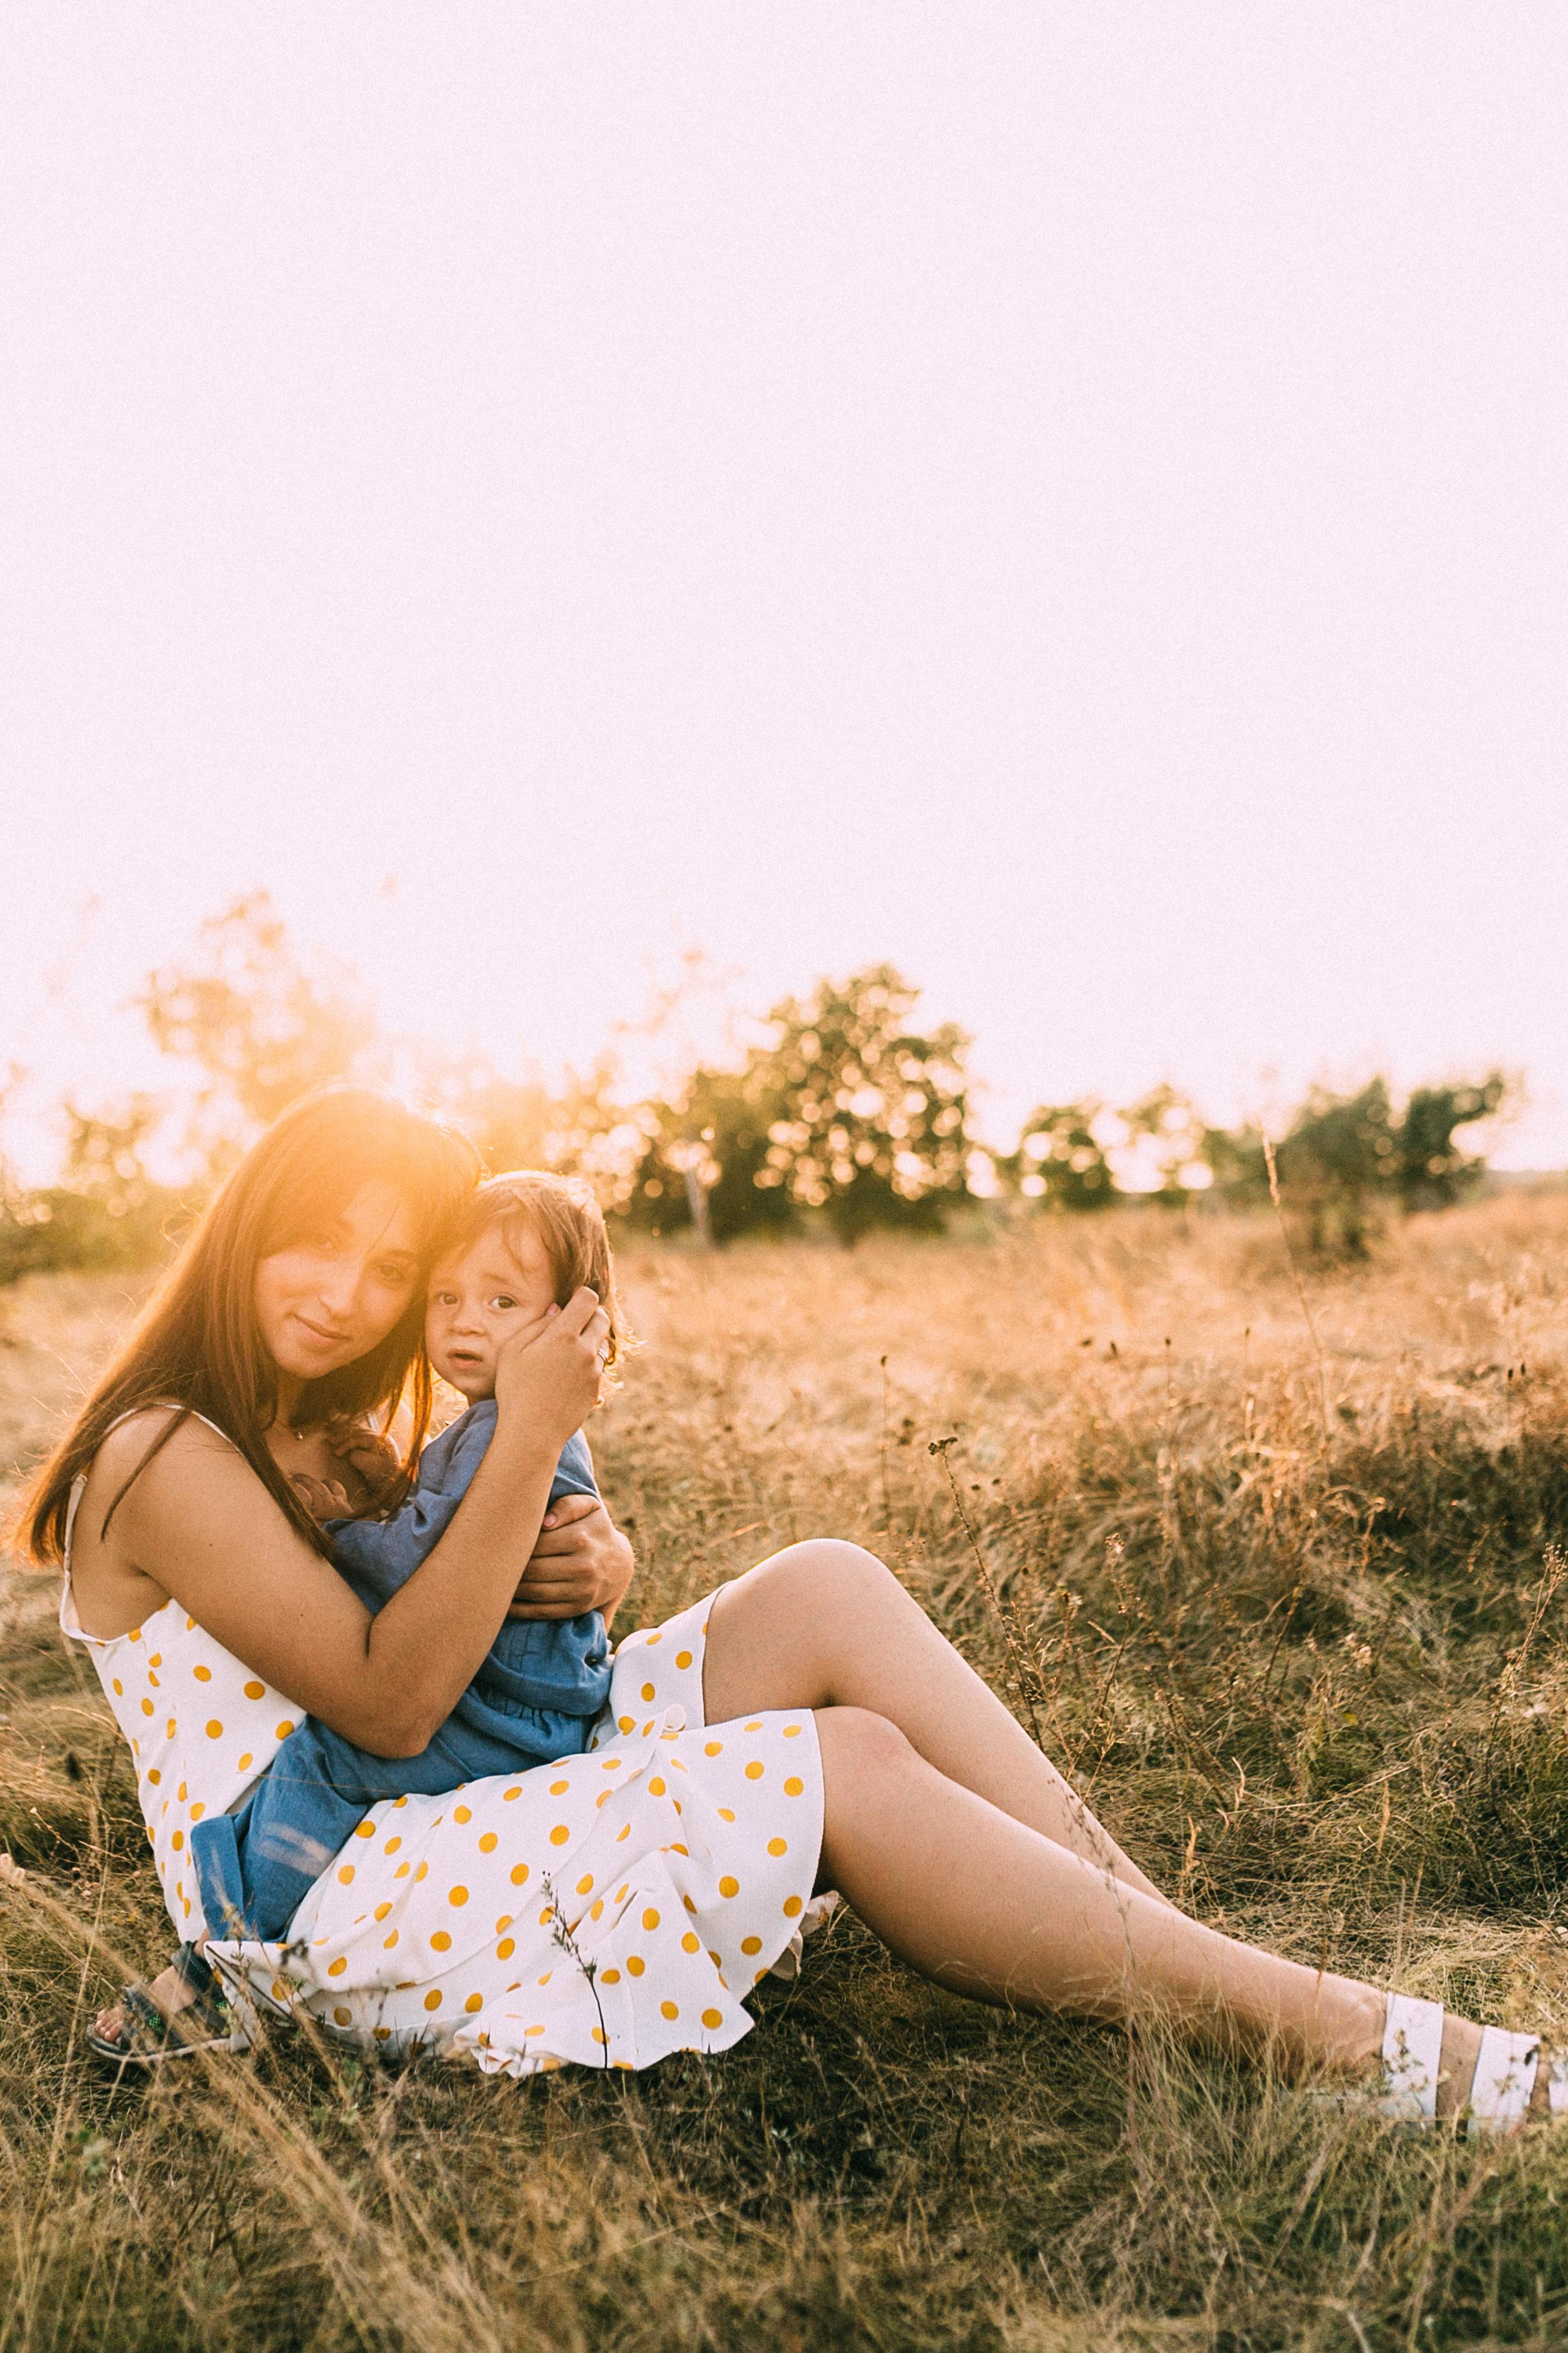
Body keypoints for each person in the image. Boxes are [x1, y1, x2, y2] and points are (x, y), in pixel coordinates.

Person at [14, 1088, 1560, 2128]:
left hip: (445, 1788)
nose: (345, 1294)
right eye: (312, 1242)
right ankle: (1337, 2039)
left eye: (386, 1265)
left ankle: (1158, 1937)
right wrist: (536, 1436)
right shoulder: (162, 1452)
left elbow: (468, 1606)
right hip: (324, 1887)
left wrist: (595, 1560)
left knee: (827, 1582)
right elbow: (389, 1698)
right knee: (846, 1762)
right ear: (239, 1225)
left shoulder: (334, 1425)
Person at [190, 1168, 624, 1943]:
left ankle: (229, 1945)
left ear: (576, 1325)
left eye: (501, 1301)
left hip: (494, 1713)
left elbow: (410, 1561)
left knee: (318, 1768)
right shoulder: (494, 1424)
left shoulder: (504, 1427)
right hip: (534, 1700)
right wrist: (388, 1478)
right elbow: (456, 1525)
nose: (463, 1322)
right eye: (444, 1296)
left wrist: (337, 1525)